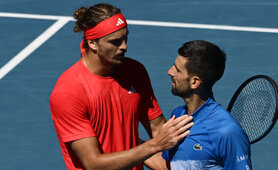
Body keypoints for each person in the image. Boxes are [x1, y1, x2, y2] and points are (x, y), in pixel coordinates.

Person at [49, 3, 193, 170]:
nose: (124, 46)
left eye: (125, 38)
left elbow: (158, 129)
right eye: (115, 42)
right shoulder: (69, 92)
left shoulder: (135, 71)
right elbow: (93, 164)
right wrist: (154, 145)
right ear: (92, 43)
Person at [162, 40, 252, 169]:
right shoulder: (178, 115)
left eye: (177, 69)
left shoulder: (227, 132)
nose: (170, 72)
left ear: (195, 82)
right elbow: (169, 166)